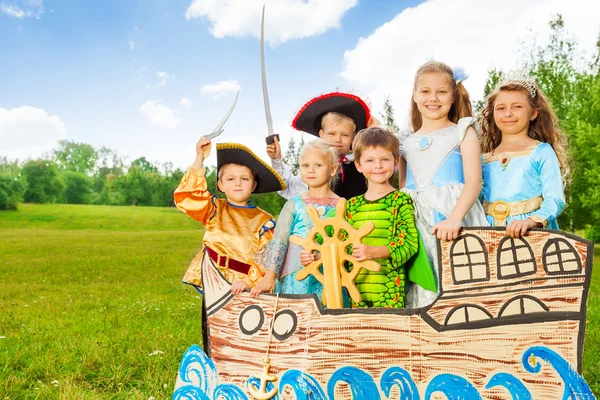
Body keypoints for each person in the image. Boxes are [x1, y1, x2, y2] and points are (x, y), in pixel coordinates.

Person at [398, 61, 488, 308]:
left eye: (442, 91)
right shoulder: (405, 141)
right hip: (416, 219)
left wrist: (455, 217)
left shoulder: (462, 131)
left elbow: (474, 181)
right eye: (425, 91)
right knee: (421, 280)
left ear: (452, 95)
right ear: (415, 96)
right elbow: (403, 186)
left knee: (456, 272)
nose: (433, 98)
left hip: (451, 213)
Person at [174, 137, 285, 295]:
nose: (238, 183)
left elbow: (268, 260)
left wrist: (248, 282)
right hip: (213, 277)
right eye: (231, 179)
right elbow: (188, 196)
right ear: (221, 185)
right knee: (212, 319)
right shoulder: (213, 209)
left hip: (245, 284)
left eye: (244, 179)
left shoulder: (263, 221)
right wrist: (200, 157)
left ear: (254, 184)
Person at [345, 127, 435, 308]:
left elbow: (408, 244)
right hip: (354, 289)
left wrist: (375, 252)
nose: (378, 166)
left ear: (396, 163)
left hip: (389, 293)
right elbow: (336, 241)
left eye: (384, 159)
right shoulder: (350, 205)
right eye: (370, 160)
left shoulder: (400, 200)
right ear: (358, 165)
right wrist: (315, 255)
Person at [250, 139, 341, 302]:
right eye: (305, 166)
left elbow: (344, 241)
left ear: (333, 169)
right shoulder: (294, 204)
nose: (310, 171)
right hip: (296, 277)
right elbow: (279, 241)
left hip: (330, 277)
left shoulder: (342, 205)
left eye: (318, 165)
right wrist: (269, 276)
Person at [480, 70, 567, 237]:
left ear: (534, 113)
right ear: (492, 113)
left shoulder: (541, 152)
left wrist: (531, 221)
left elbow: (555, 199)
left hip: (531, 235)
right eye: (501, 108)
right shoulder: (484, 159)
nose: (508, 113)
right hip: (491, 236)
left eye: (517, 107)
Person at [267, 92, 373, 200]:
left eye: (345, 135)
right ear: (321, 135)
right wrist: (276, 159)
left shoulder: (362, 164)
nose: (337, 140)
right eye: (331, 134)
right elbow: (287, 188)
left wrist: (373, 130)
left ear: (353, 138)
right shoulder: (313, 167)